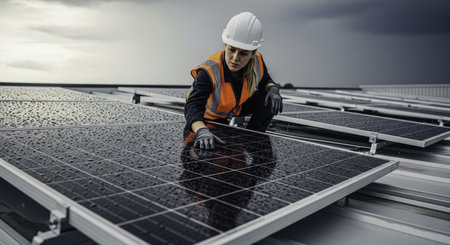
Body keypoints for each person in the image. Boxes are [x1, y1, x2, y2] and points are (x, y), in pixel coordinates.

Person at [185, 12, 283, 150]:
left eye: (243, 53)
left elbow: (265, 79)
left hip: (234, 109)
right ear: (225, 45)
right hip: (204, 121)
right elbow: (193, 106)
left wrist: (273, 88)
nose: (235, 58)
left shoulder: (257, 61)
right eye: (231, 50)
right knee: (201, 160)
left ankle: (253, 139)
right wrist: (201, 130)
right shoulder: (210, 70)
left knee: (267, 98)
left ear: (253, 53)